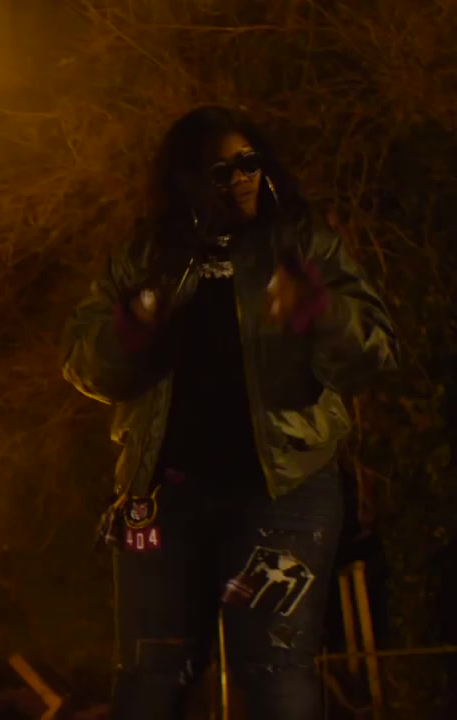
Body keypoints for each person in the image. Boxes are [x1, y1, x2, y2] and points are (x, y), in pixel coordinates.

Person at [61, 105, 397, 719]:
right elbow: (86, 370)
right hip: (163, 500)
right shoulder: (144, 258)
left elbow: (373, 355)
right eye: (221, 170)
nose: (240, 178)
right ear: (185, 180)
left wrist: (319, 311)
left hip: (284, 495)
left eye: (249, 162)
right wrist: (133, 323)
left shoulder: (302, 245)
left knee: (275, 669)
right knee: (149, 674)